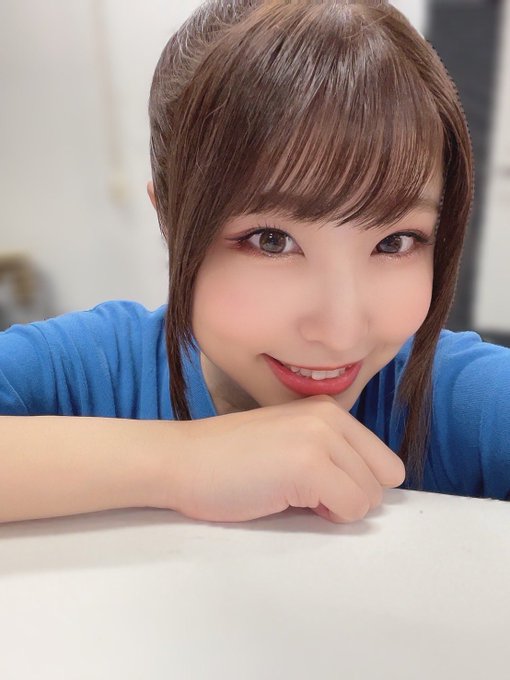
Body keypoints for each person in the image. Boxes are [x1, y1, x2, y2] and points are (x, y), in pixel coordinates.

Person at [0, 0, 508, 526]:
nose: (340, 333)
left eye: (395, 242)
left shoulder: (455, 399)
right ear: (170, 221)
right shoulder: (92, 372)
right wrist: (180, 461)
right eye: (272, 241)